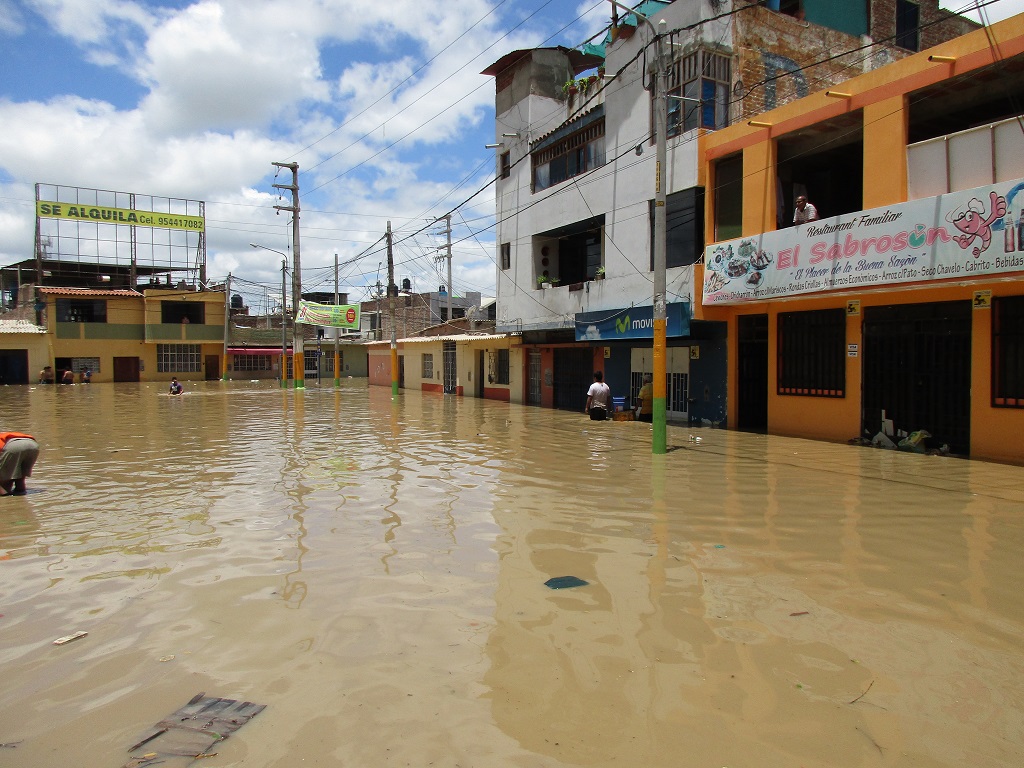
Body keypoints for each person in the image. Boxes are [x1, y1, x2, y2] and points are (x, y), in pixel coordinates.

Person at [0, 432, 40, 496]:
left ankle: (6, 499)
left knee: (4, 482)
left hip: (13, 446)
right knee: (20, 476)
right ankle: (20, 493)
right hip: (33, 445)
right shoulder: (4, 434)